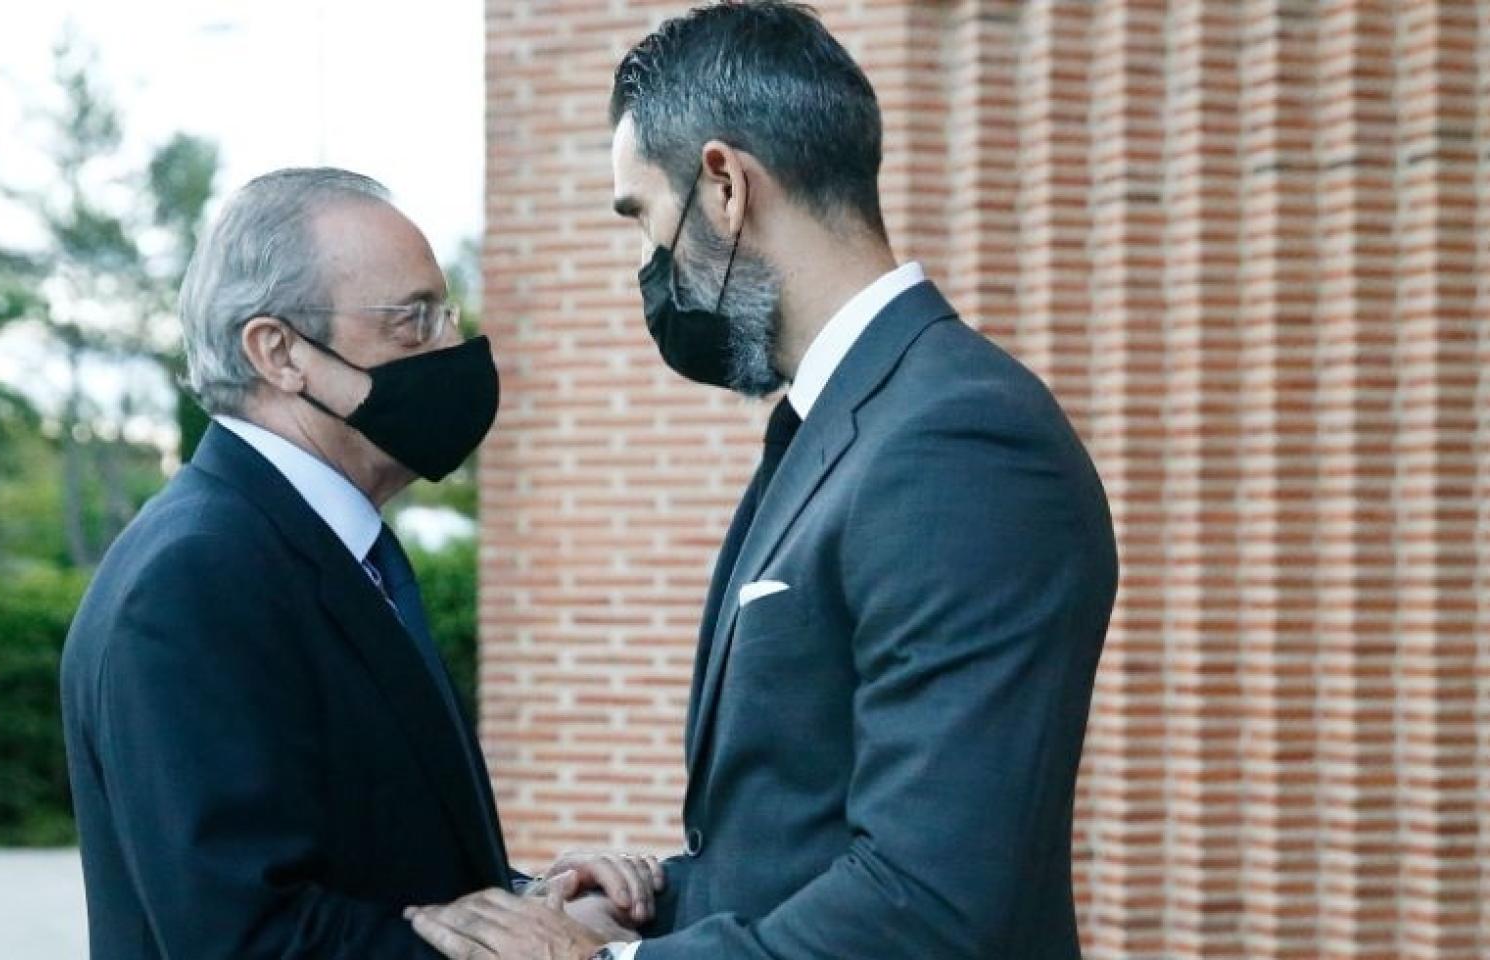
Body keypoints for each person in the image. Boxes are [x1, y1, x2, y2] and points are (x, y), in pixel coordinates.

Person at [410, 4, 1119, 959]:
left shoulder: (959, 441)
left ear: (725, 186)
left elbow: (931, 902)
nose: (648, 267)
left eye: (644, 219)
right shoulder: (841, 419)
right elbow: (801, 841)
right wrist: (649, 900)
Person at [60, 168, 658, 959]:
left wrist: (537, 902)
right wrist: (525, 950)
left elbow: (378, 870)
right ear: (279, 352)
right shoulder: (195, 579)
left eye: (446, 314)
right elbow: (242, 938)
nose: (452, 348)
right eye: (414, 320)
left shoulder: (329, 545)